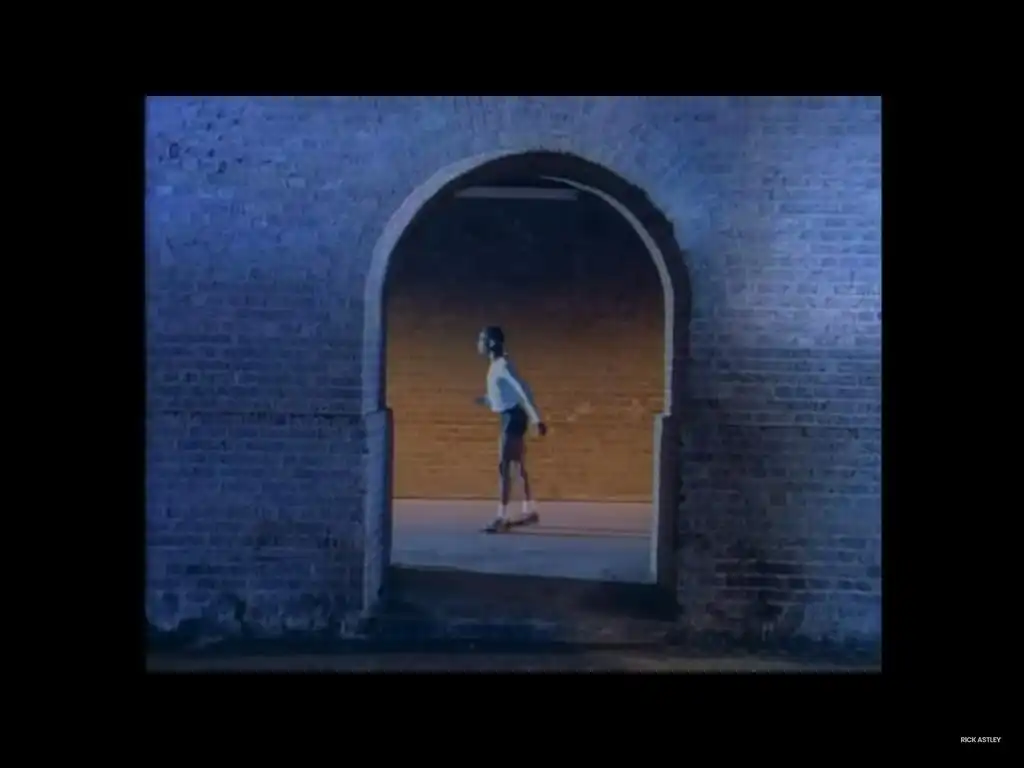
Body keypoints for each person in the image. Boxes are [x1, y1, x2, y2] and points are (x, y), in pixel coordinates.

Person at [475, 326, 548, 533]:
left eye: (481, 339)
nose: (478, 343)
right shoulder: (496, 366)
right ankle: (529, 510)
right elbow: (503, 397)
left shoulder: (503, 366)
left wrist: (536, 419)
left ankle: (501, 517)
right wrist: (487, 400)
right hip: (509, 416)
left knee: (504, 466)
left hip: (514, 418)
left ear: (491, 343)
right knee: (516, 465)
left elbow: (523, 391)